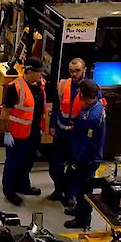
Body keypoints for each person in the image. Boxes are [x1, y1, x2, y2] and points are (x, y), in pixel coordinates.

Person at [0, 58, 48, 206]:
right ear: (30, 71)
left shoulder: (40, 85)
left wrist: (40, 129)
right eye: (39, 71)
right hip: (17, 135)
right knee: (13, 163)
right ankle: (9, 191)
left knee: (27, 162)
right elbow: (5, 112)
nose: (41, 74)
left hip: (32, 133)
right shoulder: (15, 88)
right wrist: (6, 133)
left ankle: (23, 186)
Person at [64, 79, 106, 230]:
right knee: (78, 188)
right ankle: (78, 211)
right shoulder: (95, 105)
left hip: (86, 159)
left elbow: (89, 143)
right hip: (83, 154)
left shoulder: (93, 117)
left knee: (84, 191)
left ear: (82, 94)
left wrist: (77, 160)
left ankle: (82, 220)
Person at [48, 57, 88, 204]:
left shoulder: (90, 88)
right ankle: (60, 189)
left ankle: (70, 194)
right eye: (71, 71)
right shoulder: (63, 85)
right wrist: (52, 125)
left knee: (74, 168)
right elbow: (57, 106)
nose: (74, 74)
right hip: (61, 134)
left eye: (77, 71)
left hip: (77, 138)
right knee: (55, 166)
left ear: (84, 70)